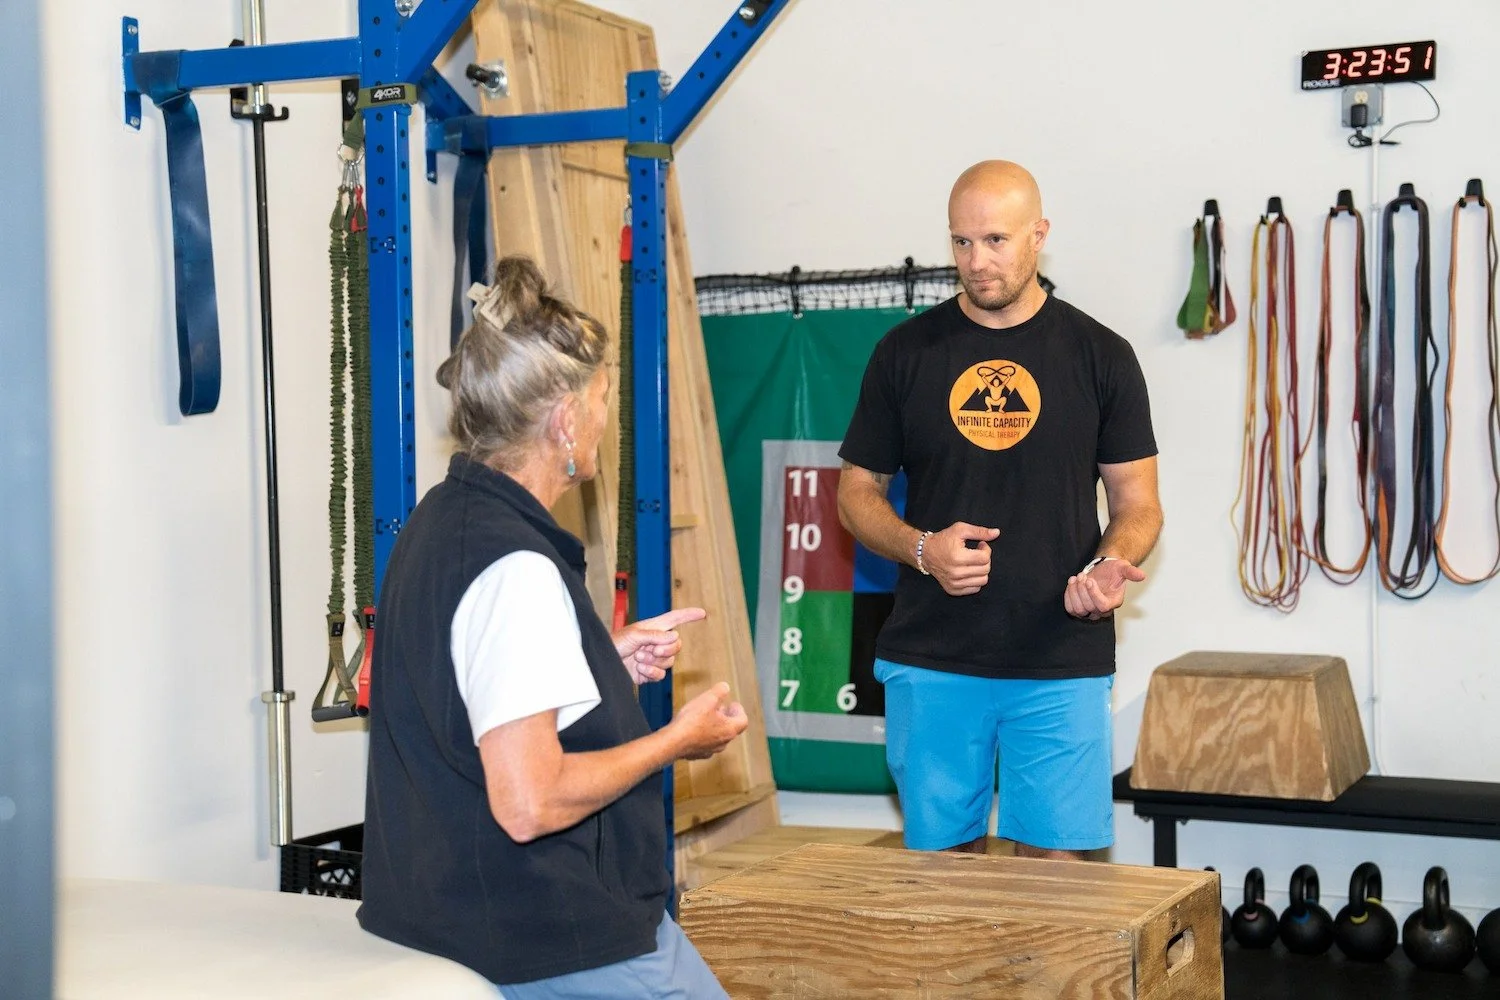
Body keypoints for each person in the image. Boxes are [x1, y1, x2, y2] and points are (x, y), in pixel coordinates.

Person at [357, 255, 747, 998]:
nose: (606, 416)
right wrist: (675, 741)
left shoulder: (443, 518)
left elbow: (464, 685)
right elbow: (530, 803)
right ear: (565, 421)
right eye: (602, 397)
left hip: (451, 914)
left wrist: (596, 659)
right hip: (549, 937)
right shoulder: (517, 568)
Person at [837, 160, 1162, 860]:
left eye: (995, 240)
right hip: (933, 655)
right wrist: (922, 549)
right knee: (942, 884)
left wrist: (1108, 565)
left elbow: (1139, 505)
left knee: (1056, 885)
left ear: (1038, 235)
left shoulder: (1102, 356)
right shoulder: (904, 353)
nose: (976, 262)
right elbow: (856, 495)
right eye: (961, 242)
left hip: (1060, 657)